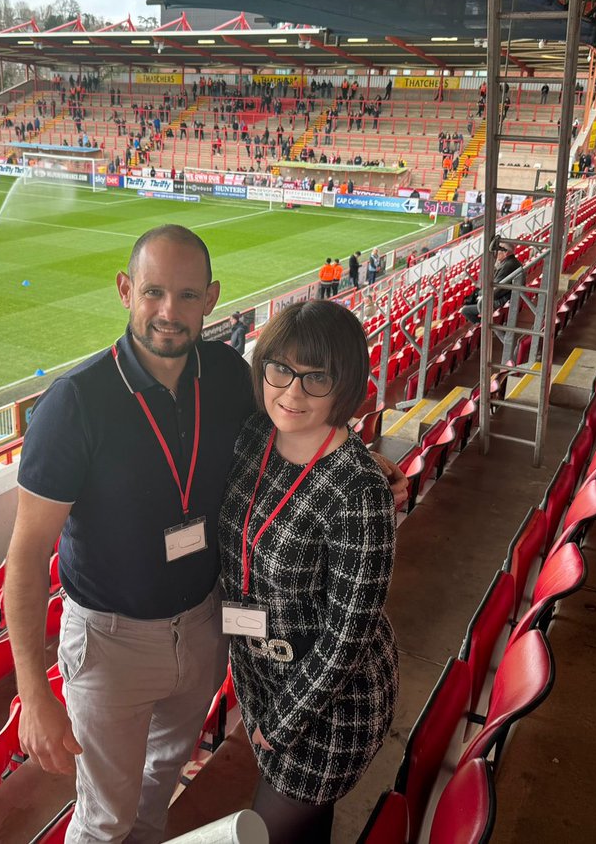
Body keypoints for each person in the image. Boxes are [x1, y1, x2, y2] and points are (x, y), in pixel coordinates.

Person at [3, 226, 406, 844]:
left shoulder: (225, 374)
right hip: (113, 645)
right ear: (124, 291)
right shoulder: (75, 405)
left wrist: (361, 458)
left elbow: (298, 423)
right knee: (104, 816)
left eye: (188, 295)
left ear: (212, 298)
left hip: (203, 627)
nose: (169, 311)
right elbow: (27, 555)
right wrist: (34, 690)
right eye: (153, 292)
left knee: (159, 782)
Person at [218, 300, 398, 843]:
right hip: (261, 679)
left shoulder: (359, 491)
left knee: (267, 833)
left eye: (316, 377)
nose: (293, 393)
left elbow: (347, 637)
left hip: (328, 708)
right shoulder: (254, 436)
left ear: (344, 383)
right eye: (282, 370)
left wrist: (283, 723)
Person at [461, 246, 524, 324]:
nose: (496, 253)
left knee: (465, 310)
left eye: (498, 251)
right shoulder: (513, 262)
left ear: (505, 253)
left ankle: (483, 326)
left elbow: (494, 292)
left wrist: (479, 293)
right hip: (507, 298)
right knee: (476, 299)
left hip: (500, 301)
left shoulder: (507, 266)